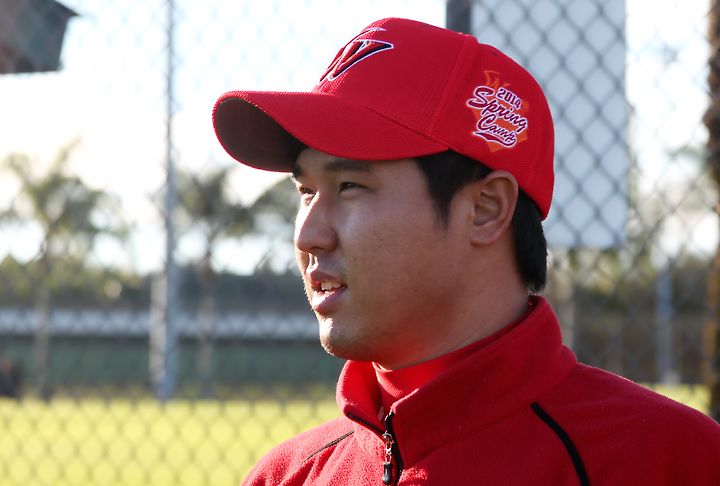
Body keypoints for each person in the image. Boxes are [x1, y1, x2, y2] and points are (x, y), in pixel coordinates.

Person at [213, 17, 720, 485]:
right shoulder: (287, 475)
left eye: (350, 186)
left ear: (485, 209)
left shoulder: (666, 461)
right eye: (305, 192)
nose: (308, 235)